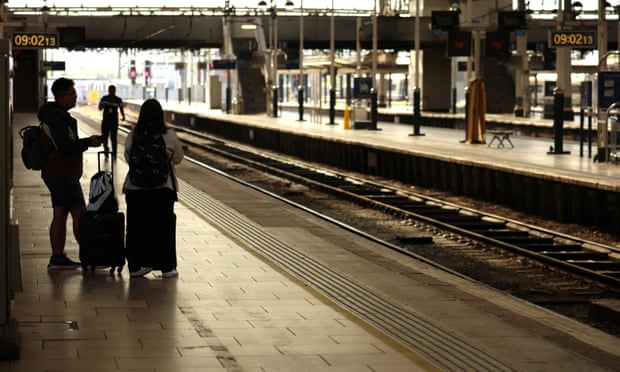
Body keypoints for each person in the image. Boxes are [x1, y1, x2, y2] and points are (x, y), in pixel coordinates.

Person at [38, 77, 102, 270]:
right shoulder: (57, 118)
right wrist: (88, 142)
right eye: (72, 94)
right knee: (79, 214)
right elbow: (65, 146)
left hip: (57, 172)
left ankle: (57, 258)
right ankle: (91, 257)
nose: (75, 97)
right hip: (62, 173)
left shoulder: (56, 116)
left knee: (60, 214)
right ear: (61, 96)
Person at [123, 98, 184, 278]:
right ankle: (167, 267)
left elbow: (127, 156)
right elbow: (179, 157)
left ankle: (136, 266)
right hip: (163, 188)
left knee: (135, 227)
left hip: (135, 188)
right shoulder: (169, 134)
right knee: (163, 227)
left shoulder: (133, 134)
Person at [98, 85, 125, 158]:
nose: (112, 91)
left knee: (113, 138)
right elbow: (99, 108)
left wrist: (123, 116)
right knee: (106, 138)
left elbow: (121, 108)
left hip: (112, 121)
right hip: (107, 121)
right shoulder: (105, 98)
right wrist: (102, 105)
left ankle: (114, 153)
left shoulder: (118, 100)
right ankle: (107, 150)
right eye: (111, 90)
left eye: (113, 90)